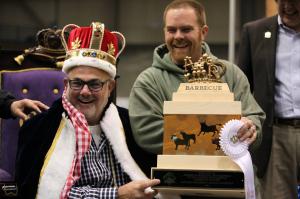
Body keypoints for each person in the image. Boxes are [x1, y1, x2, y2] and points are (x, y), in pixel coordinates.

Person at [129, 0, 265, 196]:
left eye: (186, 29)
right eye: (171, 30)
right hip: (175, 190)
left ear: (204, 31)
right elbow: (145, 132)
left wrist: (249, 128)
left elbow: (254, 117)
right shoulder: (148, 81)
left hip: (231, 188)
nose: (178, 37)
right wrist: (222, 132)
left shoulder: (231, 74)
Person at [15, 22, 159, 199]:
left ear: (110, 87)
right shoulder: (37, 129)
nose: (85, 91)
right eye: (77, 83)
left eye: (94, 84)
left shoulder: (131, 125)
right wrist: (117, 194)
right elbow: (35, 191)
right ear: (66, 85)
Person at [238, 0, 300, 198]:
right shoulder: (254, 32)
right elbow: (243, 89)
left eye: (295, 1)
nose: (288, 7)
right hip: (275, 136)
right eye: (282, 0)